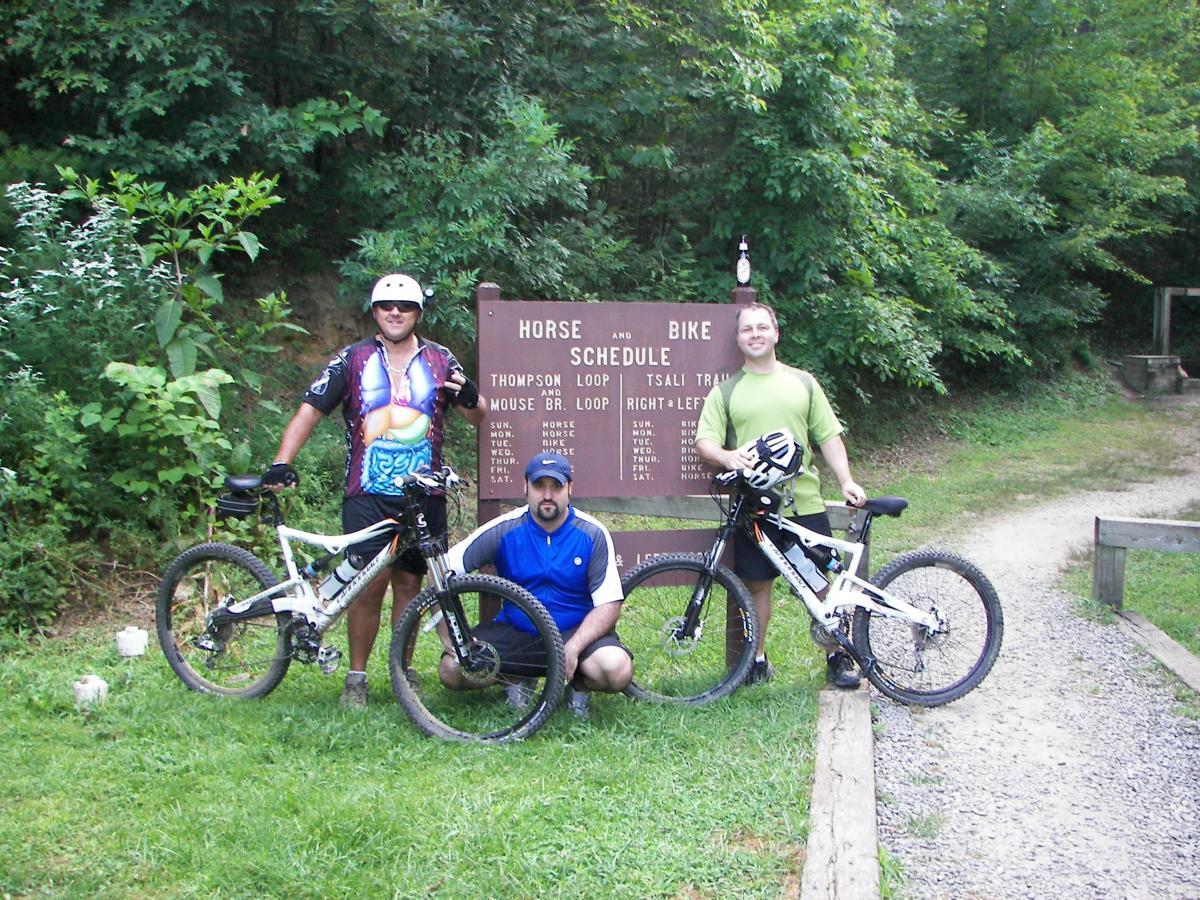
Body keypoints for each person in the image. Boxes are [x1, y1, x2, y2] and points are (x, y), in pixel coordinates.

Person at [263, 273, 487, 708]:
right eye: (387, 306)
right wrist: (282, 461)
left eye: (405, 306)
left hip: (423, 497)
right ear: (375, 312)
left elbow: (477, 416)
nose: (395, 313)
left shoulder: (441, 359)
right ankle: (357, 677)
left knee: (410, 584)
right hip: (367, 493)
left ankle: (402, 674)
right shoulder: (352, 358)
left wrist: (476, 399)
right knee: (367, 586)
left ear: (418, 312)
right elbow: (310, 409)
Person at [694, 301, 866, 689]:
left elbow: (829, 437)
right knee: (757, 586)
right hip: (754, 509)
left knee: (822, 583)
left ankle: (838, 656)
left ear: (776, 333)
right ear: (738, 339)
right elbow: (705, 441)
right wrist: (728, 455)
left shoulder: (803, 383)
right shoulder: (726, 391)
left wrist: (847, 481)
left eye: (762, 327)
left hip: (803, 503)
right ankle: (756, 662)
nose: (755, 334)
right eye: (747, 329)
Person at [441, 451, 633, 717]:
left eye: (556, 486)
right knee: (452, 669)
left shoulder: (592, 533)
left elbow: (609, 603)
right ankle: (515, 678)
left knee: (616, 669)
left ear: (569, 489)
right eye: (538, 485)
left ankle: (578, 686)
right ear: (526, 488)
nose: (547, 494)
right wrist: (450, 636)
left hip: (572, 630)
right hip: (517, 630)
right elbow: (441, 571)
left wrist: (575, 646)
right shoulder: (505, 528)